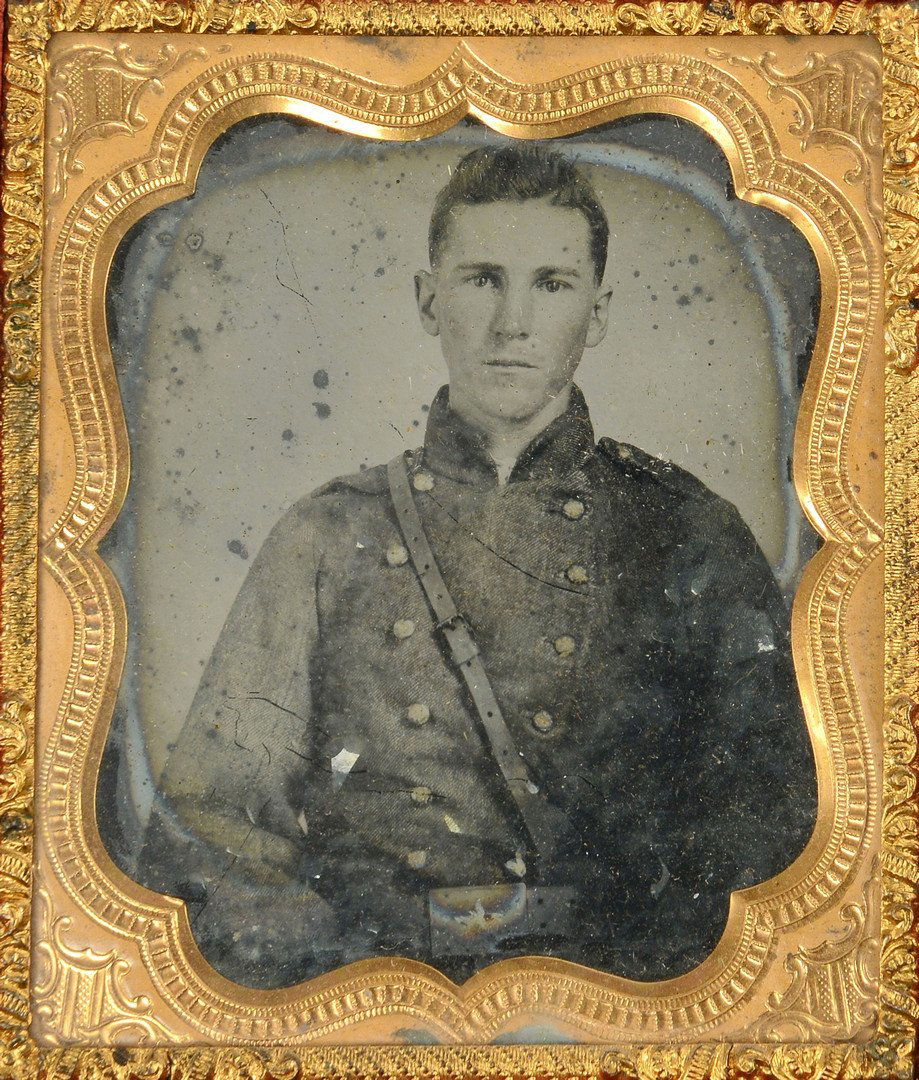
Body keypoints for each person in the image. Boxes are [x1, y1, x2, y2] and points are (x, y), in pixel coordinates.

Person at [136, 144, 817, 989]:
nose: (512, 324)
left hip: (615, 999)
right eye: (482, 280)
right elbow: (208, 833)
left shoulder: (686, 531)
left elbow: (776, 832)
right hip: (378, 996)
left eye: (552, 284)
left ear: (596, 313)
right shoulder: (327, 535)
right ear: (431, 301)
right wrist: (351, 962)